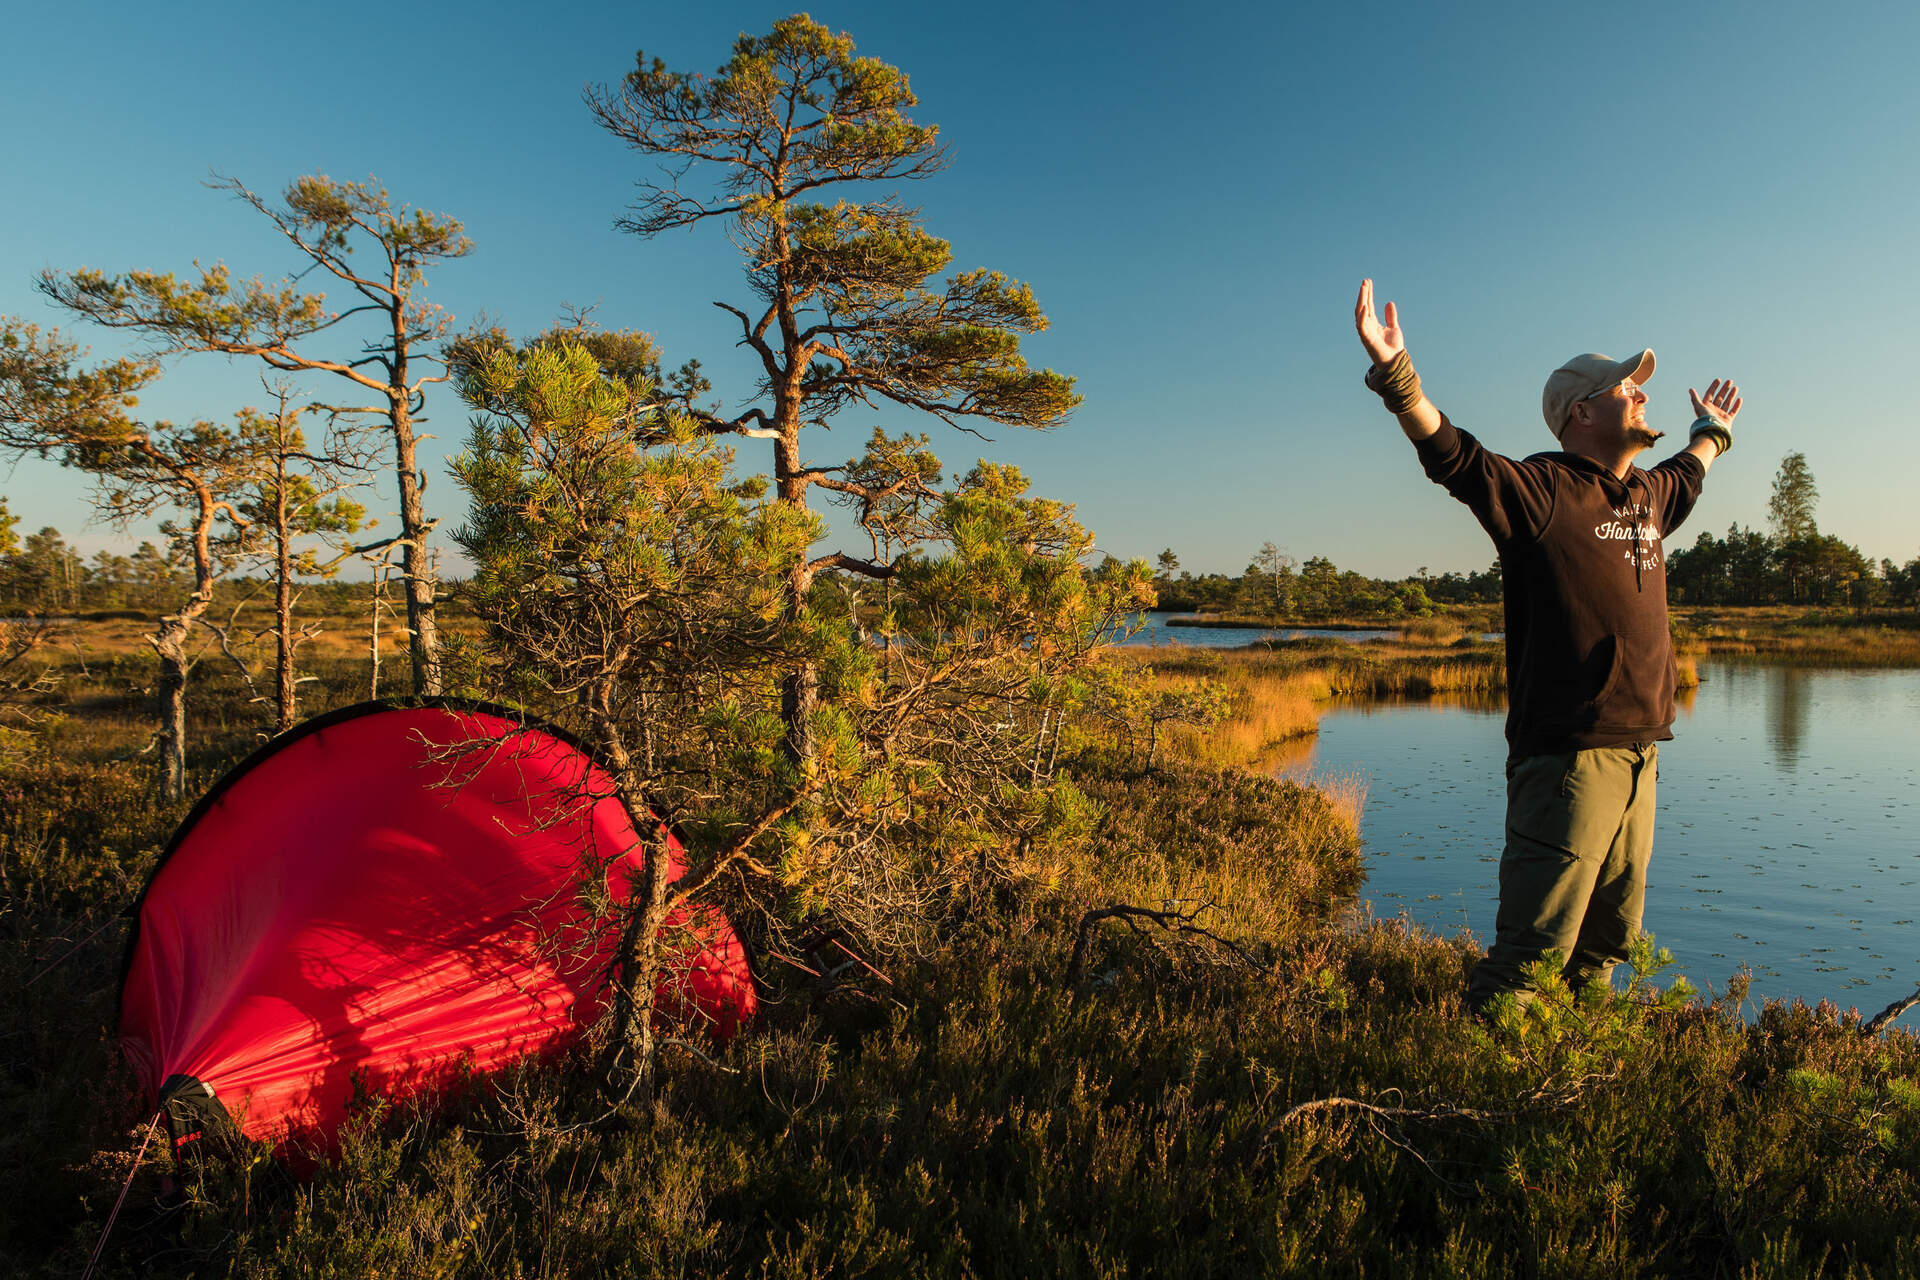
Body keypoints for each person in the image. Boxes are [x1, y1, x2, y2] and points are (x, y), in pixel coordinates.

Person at [1352, 278, 1741, 1009]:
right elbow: (1456, 457)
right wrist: (1399, 379)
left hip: (1640, 758)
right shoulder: (1541, 491)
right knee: (1527, 965)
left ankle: (1566, 1099)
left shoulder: (1647, 499)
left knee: (1602, 953)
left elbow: (1694, 468)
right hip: (1567, 762)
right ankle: (1473, 1113)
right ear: (1581, 412)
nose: (1642, 395)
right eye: (1627, 386)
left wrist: (1714, 431)